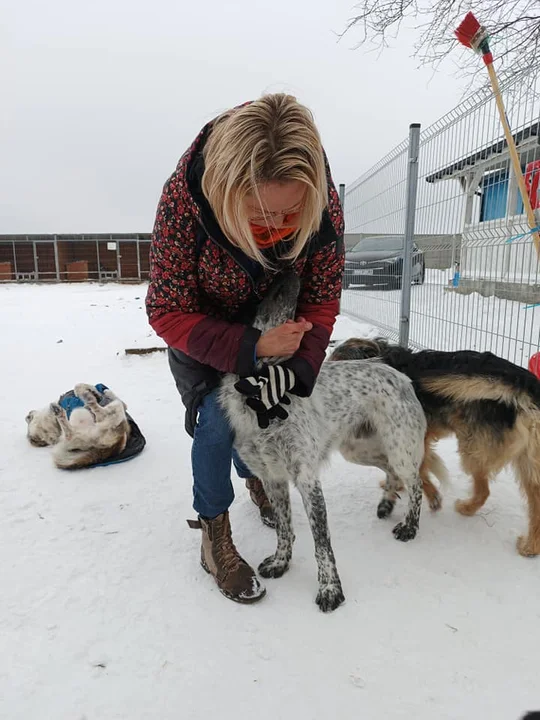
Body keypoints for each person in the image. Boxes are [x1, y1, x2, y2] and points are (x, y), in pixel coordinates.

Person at [145, 93, 344, 604]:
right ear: (224, 193)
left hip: (280, 329)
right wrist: (251, 347)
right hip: (203, 331)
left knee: (272, 414)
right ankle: (215, 532)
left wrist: (298, 368)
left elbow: (322, 299)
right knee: (218, 421)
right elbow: (167, 309)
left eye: (290, 214)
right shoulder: (183, 203)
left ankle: (258, 476)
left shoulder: (322, 203)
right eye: (258, 215)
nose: (276, 232)